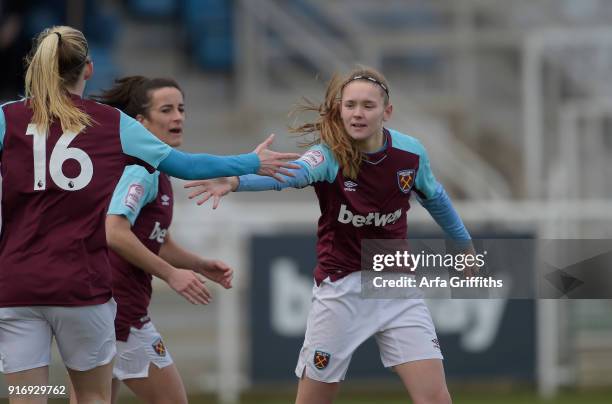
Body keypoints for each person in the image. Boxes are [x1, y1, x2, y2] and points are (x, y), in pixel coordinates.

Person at [0, 25, 298, 404]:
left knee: (29, 398)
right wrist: (252, 161)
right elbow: (187, 166)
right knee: (93, 397)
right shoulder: (112, 123)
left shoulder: (7, 117)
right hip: (81, 287)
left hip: (17, 284)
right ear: (88, 70)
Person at [186, 66, 475, 404]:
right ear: (340, 109)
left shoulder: (410, 154)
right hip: (341, 290)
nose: (358, 113)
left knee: (436, 399)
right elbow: (290, 176)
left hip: (396, 285)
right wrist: (236, 180)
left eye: (368, 105)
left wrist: (464, 245)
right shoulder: (328, 155)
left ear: (387, 111)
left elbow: (436, 197)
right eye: (350, 105)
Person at [91, 76, 233, 404]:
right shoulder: (141, 169)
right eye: (166, 110)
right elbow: (114, 232)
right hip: (119, 312)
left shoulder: (157, 169)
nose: (178, 117)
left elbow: (158, 240)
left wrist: (198, 264)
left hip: (106, 309)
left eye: (181, 109)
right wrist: (171, 274)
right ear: (141, 122)